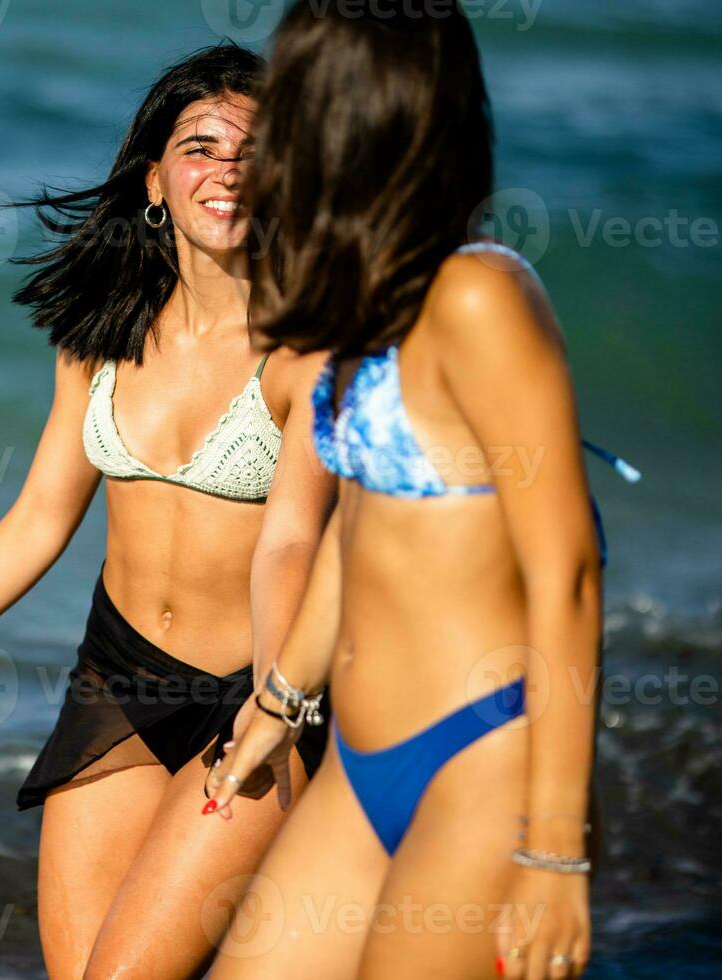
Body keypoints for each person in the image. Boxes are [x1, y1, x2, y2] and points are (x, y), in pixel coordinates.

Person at [0, 45, 337, 978]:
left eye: (255, 153)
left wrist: (278, 703)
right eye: (200, 147)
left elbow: (292, 541)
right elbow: (42, 515)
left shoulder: (305, 353)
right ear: (154, 180)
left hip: (257, 693)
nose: (227, 172)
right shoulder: (100, 334)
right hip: (117, 684)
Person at [203, 6, 636, 980]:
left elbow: (566, 573)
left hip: (485, 765)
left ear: (349, 119)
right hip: (362, 766)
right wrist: (278, 701)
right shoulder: (371, 309)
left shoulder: (481, 296)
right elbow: (358, 533)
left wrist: (553, 848)